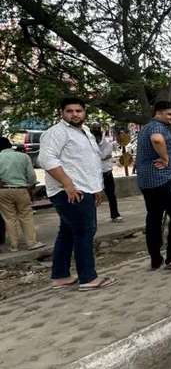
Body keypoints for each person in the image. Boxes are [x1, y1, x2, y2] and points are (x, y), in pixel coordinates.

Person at [38, 97, 116, 290]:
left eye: (78, 111)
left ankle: (60, 276)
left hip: (86, 188)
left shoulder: (85, 131)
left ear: (84, 113)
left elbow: (89, 162)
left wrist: (97, 188)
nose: (74, 114)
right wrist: (68, 185)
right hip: (71, 191)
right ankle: (88, 278)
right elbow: (46, 160)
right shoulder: (56, 133)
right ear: (62, 113)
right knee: (85, 231)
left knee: (67, 233)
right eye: (69, 111)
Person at [136, 101, 171, 270]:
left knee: (154, 217)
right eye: (169, 114)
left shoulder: (146, 127)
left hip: (147, 182)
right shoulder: (156, 127)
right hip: (164, 179)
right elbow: (157, 140)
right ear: (158, 113)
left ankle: (155, 259)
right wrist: (165, 159)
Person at [0, 136, 45, 252]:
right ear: (10, 145)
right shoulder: (23, 157)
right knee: (26, 216)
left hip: (2, 191)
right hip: (21, 189)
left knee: (9, 218)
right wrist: (31, 188)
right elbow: (31, 177)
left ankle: (14, 246)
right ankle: (31, 243)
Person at [89, 123, 123, 223]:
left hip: (106, 172)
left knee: (111, 195)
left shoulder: (107, 142)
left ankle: (115, 215)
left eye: (97, 128)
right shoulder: (89, 140)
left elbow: (103, 156)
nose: (96, 129)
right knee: (91, 196)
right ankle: (91, 219)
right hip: (93, 173)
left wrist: (97, 156)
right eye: (94, 128)